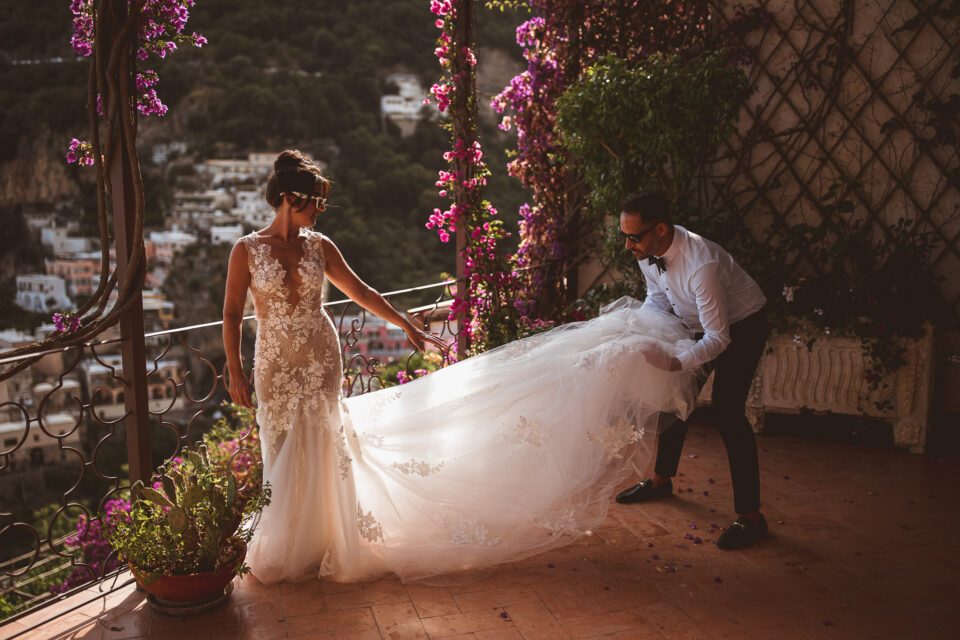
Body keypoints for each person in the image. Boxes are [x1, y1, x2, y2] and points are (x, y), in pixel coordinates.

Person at [224, 152, 701, 585]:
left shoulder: (319, 246)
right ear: (290, 199)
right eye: (314, 204)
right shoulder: (246, 250)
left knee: (323, 441)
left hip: (319, 354)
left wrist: (406, 322)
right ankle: (288, 540)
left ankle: (321, 542)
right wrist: (235, 370)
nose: (319, 212)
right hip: (275, 360)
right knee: (281, 441)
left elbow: (362, 292)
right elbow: (229, 314)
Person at [614, 192, 770, 550]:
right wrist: (643, 329)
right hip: (695, 324)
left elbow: (719, 336)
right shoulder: (647, 252)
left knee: (728, 413)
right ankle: (660, 480)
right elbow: (659, 298)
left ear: (661, 229)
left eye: (633, 236)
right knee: (675, 397)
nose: (627, 245)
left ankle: (751, 518)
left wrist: (677, 361)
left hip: (742, 327)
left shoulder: (702, 263)